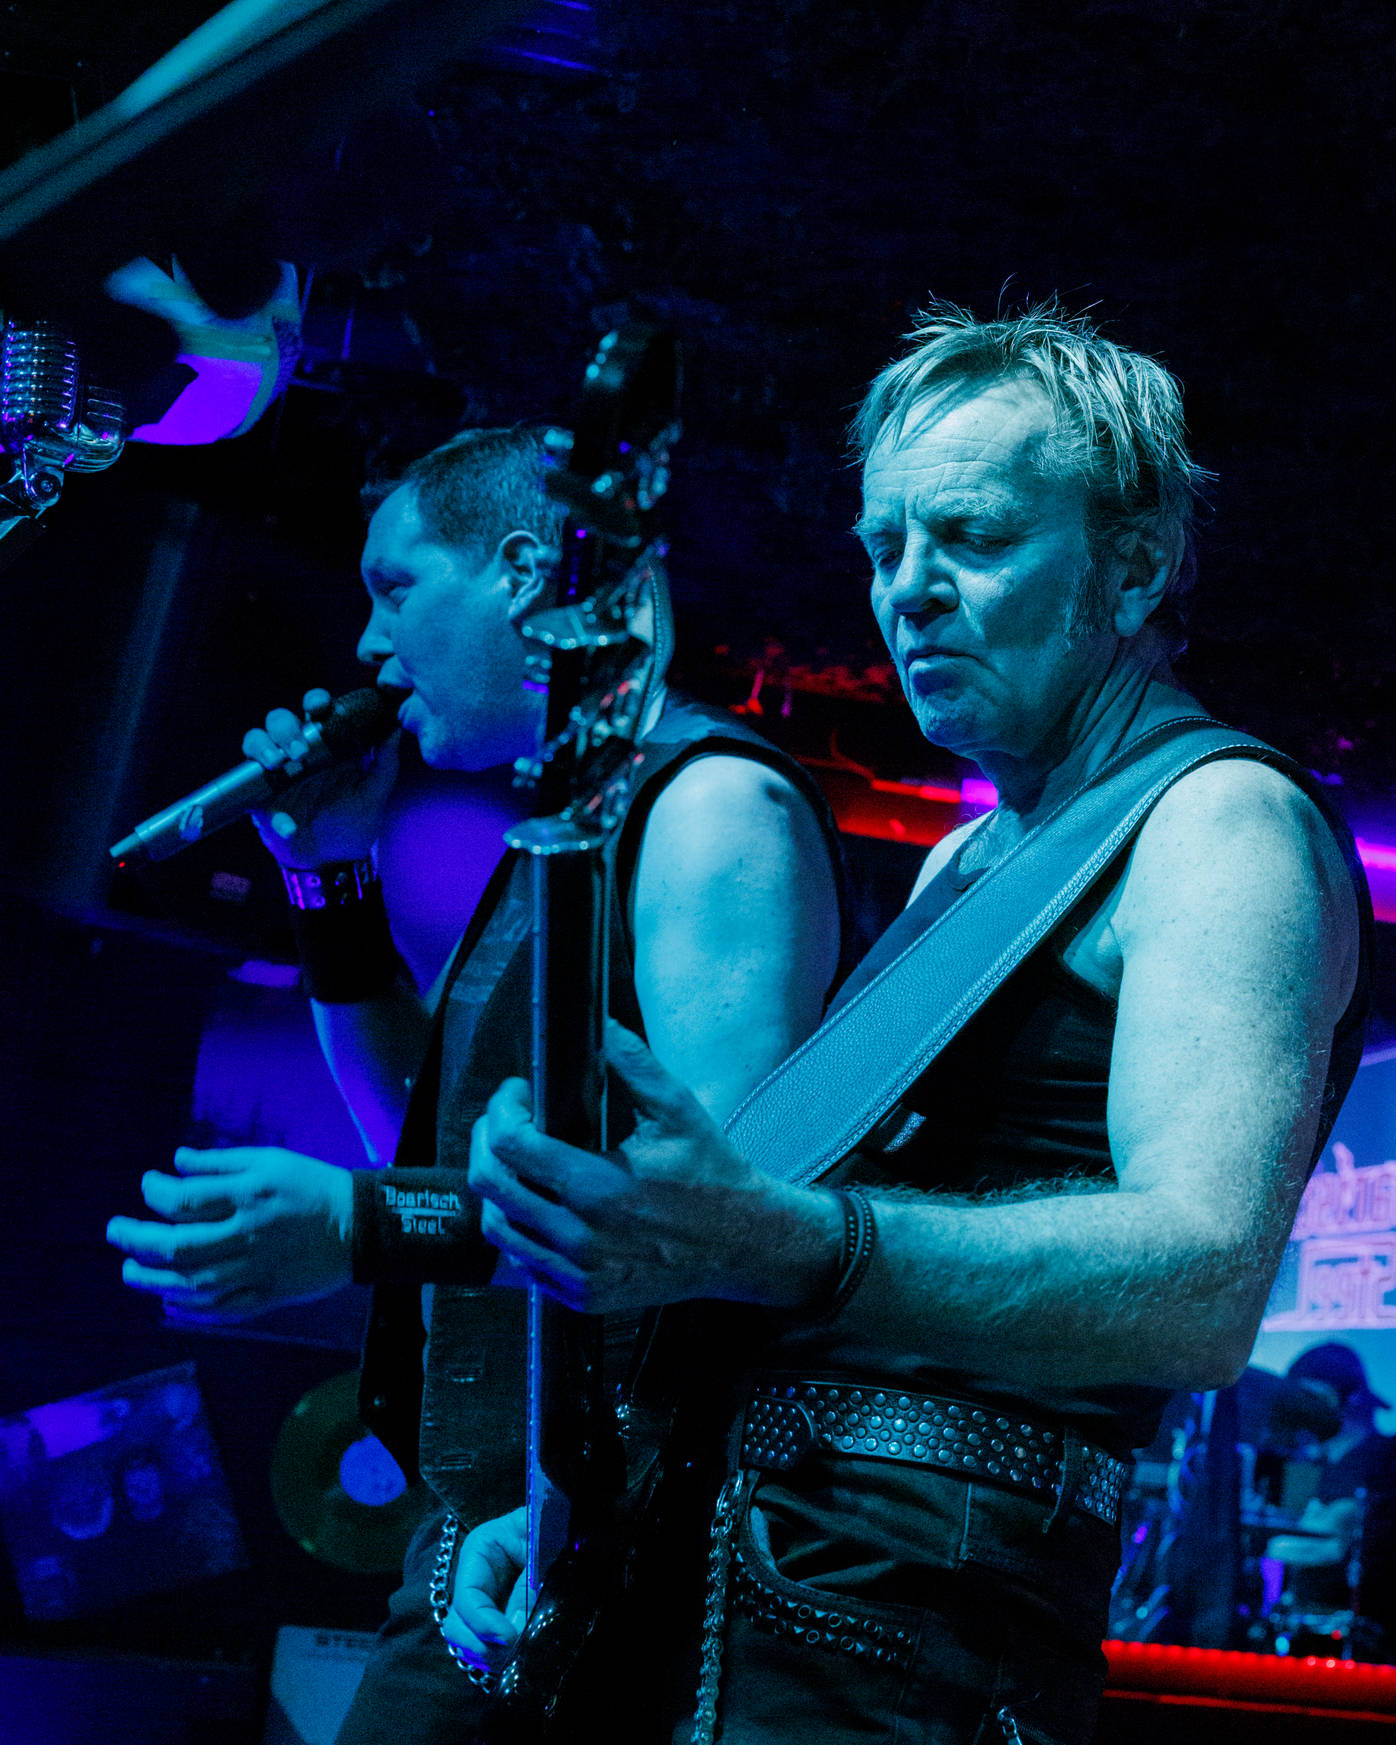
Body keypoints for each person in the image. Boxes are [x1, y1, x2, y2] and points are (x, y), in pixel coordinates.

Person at [457, 306, 1371, 1744]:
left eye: (974, 539)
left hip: (905, 1637)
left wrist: (787, 1237)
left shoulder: (1220, 822)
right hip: (756, 1578)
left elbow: (1201, 1282)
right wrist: (594, 1490)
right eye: (883, 547)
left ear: (1134, 566)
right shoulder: (967, 860)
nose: (909, 593)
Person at [104, 424, 846, 1744]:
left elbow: (715, 1223)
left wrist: (355, 1224)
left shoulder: (710, 807)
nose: (369, 645)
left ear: (521, 573)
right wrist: (328, 874)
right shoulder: (560, 830)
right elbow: (418, 1133)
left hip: (622, 1534)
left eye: (395, 587)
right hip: (498, 1528)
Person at [1265, 1342, 1396, 1651]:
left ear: (1352, 1398)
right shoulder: (1315, 1465)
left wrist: (1264, 1544)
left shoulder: (1384, 1459)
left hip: (1365, 1642)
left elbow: (1332, 1545)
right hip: (1308, 1632)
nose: (1302, 1411)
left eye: (1311, 1398)